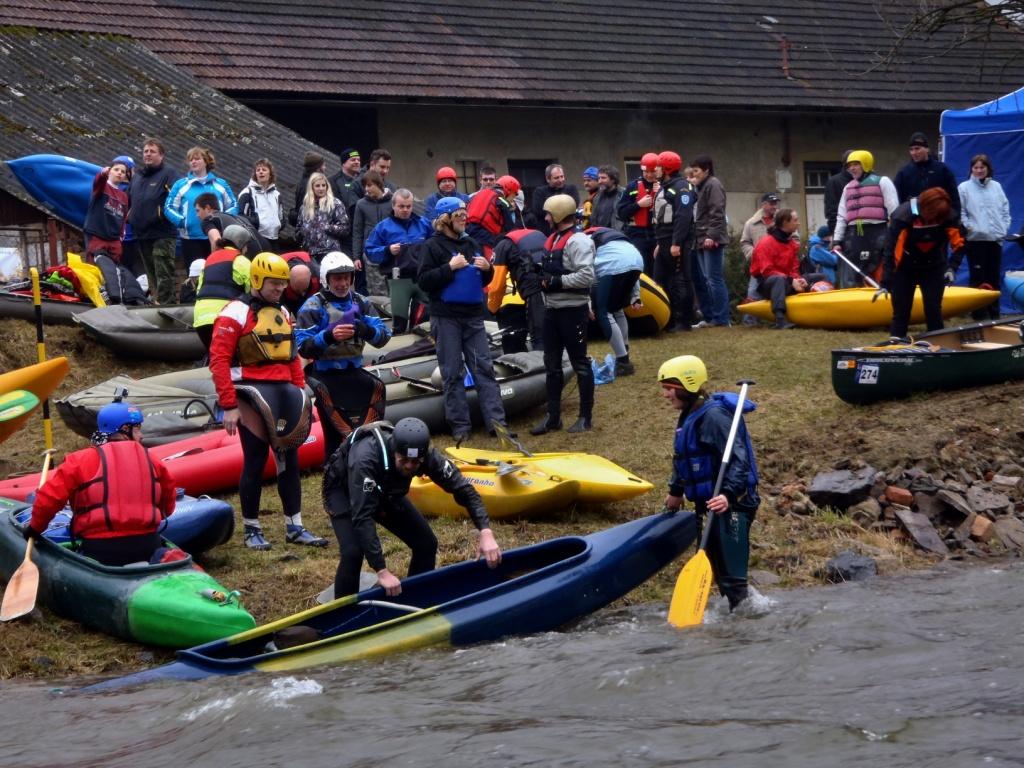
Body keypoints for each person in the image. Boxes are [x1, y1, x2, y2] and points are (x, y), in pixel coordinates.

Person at [209, 252, 325, 550]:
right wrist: (229, 405)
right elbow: (219, 361)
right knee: (256, 460)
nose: (279, 289)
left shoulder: (284, 312)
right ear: (258, 280)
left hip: (283, 391)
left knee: (290, 458)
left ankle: (295, 526)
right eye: (274, 283)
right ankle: (251, 528)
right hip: (250, 392)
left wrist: (301, 395)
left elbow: (292, 357)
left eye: (282, 284)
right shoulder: (234, 312)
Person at [322, 417, 501, 598]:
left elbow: (464, 489)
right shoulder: (366, 458)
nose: (409, 466)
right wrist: (381, 570)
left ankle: (416, 600)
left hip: (386, 489)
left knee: (426, 543)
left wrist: (485, 531)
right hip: (343, 490)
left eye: (415, 462)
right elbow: (363, 516)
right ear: (394, 452)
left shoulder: (428, 457)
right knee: (353, 552)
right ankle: (345, 613)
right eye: (404, 460)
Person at [658, 355, 760, 610]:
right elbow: (684, 456)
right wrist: (676, 491)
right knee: (718, 567)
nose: (665, 394)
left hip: (733, 503)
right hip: (711, 502)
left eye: (669, 388)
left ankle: (750, 618)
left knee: (732, 575)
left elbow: (739, 459)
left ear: (687, 385)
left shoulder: (714, 417)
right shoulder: (688, 414)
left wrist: (728, 493)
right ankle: (738, 617)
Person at [24, 401, 176, 567]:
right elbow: (168, 504)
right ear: (125, 430)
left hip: (100, 551)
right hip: (148, 546)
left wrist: (35, 528)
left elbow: (49, 499)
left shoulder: (79, 460)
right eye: (138, 428)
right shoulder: (152, 459)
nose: (141, 435)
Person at [417, 197, 510, 443]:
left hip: (473, 317)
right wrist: (449, 267)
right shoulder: (431, 246)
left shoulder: (470, 243)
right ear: (445, 219)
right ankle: (460, 427)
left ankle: (496, 423)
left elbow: (482, 282)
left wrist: (487, 270)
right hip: (445, 318)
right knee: (452, 372)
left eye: (464, 215)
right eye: (458, 215)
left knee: (484, 369)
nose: (463, 219)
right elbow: (424, 281)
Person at [296, 251, 392, 460]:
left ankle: (366, 463)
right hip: (325, 376)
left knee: (377, 392)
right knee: (334, 438)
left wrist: (364, 330)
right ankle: (334, 476)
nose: (343, 283)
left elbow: (384, 337)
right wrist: (328, 336)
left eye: (346, 277)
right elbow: (302, 347)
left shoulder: (362, 302)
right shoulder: (312, 306)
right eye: (337, 278)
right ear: (326, 279)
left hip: (354, 371)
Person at [530, 193, 596, 435]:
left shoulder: (578, 241)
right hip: (552, 310)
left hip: (572, 311)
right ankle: (553, 417)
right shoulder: (554, 238)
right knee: (551, 365)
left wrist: (555, 281)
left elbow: (586, 276)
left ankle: (585, 417)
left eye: (548, 213)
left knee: (580, 363)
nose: (546, 218)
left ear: (558, 215)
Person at [878, 187, 965, 342]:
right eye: (933, 216)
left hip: (934, 266)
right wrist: (886, 281)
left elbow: (960, 243)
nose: (935, 220)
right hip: (905, 268)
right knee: (901, 311)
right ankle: (896, 346)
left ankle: (939, 345)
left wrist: (952, 267)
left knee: (933, 309)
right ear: (925, 208)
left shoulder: (948, 215)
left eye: (939, 217)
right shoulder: (902, 217)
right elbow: (891, 251)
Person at [365, 188, 432, 333]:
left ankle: (422, 350)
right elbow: (370, 250)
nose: (405, 210)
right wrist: (387, 250)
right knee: (399, 324)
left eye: (408, 206)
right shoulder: (383, 227)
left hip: (422, 278)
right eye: (401, 206)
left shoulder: (424, 224)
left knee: (423, 323)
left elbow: (437, 244)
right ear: (393, 206)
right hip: (398, 280)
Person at [833, 149, 898, 287]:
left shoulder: (883, 181)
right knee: (856, 271)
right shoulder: (847, 188)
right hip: (854, 235)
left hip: (877, 232)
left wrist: (896, 234)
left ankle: (884, 289)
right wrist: (837, 240)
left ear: (866, 164)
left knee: (879, 267)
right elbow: (841, 216)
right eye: (849, 165)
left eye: (856, 164)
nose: (852, 168)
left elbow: (894, 211)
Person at [958, 153, 1011, 319]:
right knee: (978, 278)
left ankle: (994, 314)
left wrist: (1003, 228)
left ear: (988, 169)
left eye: (982, 167)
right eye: (976, 167)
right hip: (976, 240)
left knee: (993, 277)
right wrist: (970, 228)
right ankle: (978, 314)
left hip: (995, 240)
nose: (979, 170)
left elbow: (1005, 209)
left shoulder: (996, 186)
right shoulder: (964, 188)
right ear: (971, 169)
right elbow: (961, 212)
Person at [750, 209, 820, 329]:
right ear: (785, 222)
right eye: (795, 220)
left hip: (787, 281)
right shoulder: (765, 243)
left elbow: (794, 268)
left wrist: (798, 279)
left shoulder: (791, 243)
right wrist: (790, 280)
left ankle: (818, 313)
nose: (798, 223)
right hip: (768, 284)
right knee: (778, 280)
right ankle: (780, 320)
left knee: (819, 277)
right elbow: (767, 271)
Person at [164, 147, 237, 263]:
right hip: (191, 240)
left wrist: (223, 221)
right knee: (195, 276)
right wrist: (183, 222)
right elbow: (168, 207)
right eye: (190, 160)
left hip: (217, 238)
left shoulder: (221, 184)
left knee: (216, 272)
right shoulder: (180, 185)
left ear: (206, 161)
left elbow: (234, 205)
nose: (193, 162)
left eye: (197, 159)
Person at [128, 137, 179, 304]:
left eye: (152, 151)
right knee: (151, 273)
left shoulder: (168, 173)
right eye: (145, 151)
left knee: (163, 272)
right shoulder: (137, 177)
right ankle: (156, 303)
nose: (148, 154)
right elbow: (130, 199)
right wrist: (131, 216)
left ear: (161, 155)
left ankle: (168, 305)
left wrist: (161, 215)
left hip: (162, 232)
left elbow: (177, 198)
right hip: (142, 233)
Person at [587, 226, 642, 375]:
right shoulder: (612, 237)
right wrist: (636, 296)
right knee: (617, 309)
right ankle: (624, 354)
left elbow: (587, 271)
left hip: (613, 265)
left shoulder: (586, 241)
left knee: (603, 312)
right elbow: (630, 266)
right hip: (637, 260)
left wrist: (588, 301)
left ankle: (623, 361)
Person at [652, 150, 696, 332]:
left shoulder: (682, 188)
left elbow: (683, 217)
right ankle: (665, 319)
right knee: (660, 280)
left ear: (667, 169)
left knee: (681, 281)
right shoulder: (666, 186)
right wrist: (659, 244)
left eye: (659, 167)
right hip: (663, 241)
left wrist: (676, 243)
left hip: (676, 242)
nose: (656, 171)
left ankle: (683, 321)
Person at [192, 226, 253, 349]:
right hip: (226, 319)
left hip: (201, 320)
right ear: (241, 244)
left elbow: (199, 290)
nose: (246, 250)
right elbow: (254, 290)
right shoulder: (241, 260)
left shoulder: (209, 260)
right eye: (246, 246)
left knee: (216, 356)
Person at [488, 228, 547, 353]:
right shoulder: (538, 236)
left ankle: (540, 366)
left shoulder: (502, 247)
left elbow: (496, 285)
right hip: (552, 286)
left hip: (529, 295)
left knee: (539, 337)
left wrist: (492, 308)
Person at [691, 154, 731, 327]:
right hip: (700, 237)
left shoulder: (713, 185)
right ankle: (713, 316)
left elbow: (717, 211)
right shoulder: (702, 186)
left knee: (714, 279)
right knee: (707, 279)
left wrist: (711, 235)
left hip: (710, 238)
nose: (694, 175)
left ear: (706, 170)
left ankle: (722, 318)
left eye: (696, 171)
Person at [893, 132, 960, 216]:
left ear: (927, 149)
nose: (914, 152)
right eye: (911, 149)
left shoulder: (942, 170)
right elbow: (896, 199)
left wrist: (954, 219)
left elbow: (954, 197)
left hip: (940, 220)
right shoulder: (904, 173)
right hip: (914, 222)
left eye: (917, 148)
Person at [351, 170, 394, 296]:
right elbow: (357, 231)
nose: (366, 189)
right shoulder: (361, 204)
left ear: (378, 184)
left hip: (392, 250)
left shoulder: (393, 201)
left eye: (369, 185)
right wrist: (356, 256)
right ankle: (380, 315)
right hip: (371, 252)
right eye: (364, 185)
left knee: (394, 288)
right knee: (375, 291)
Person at [617, 152, 659, 276]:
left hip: (658, 236)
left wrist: (661, 193)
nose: (649, 175)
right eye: (646, 172)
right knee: (640, 271)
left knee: (659, 273)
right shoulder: (632, 187)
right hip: (637, 235)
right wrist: (638, 205)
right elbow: (621, 213)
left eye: (653, 171)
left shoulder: (664, 186)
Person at [296, 171, 350, 263]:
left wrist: (327, 227)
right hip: (309, 253)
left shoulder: (335, 203)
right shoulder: (304, 207)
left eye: (323, 185)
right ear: (311, 188)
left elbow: (345, 228)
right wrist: (304, 231)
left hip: (330, 252)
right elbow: (298, 230)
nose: (321, 188)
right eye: (317, 186)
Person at [83, 159, 130, 262]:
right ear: (110, 171)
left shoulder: (124, 196)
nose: (119, 173)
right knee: (95, 268)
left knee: (113, 270)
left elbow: (123, 219)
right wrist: (102, 173)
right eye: (116, 169)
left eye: (123, 172)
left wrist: (120, 237)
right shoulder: (102, 187)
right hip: (96, 235)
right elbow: (98, 180)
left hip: (114, 240)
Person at [195, 193, 268, 257]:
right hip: (267, 251)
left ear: (207, 208)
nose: (197, 215)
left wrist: (213, 263)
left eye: (198, 210)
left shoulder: (208, 220)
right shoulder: (236, 217)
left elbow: (216, 241)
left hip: (249, 255)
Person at [237, 158, 284, 251]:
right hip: (255, 239)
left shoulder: (277, 195)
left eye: (264, 169)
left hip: (274, 238)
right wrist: (256, 223)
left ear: (270, 173)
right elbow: (241, 216)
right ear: (255, 174)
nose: (261, 172)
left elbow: (281, 216)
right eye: (258, 170)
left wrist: (279, 225)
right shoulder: (247, 192)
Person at [466, 174, 521, 252]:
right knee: (490, 262)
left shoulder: (477, 195)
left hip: (468, 233)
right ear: (508, 190)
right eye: (514, 194)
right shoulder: (502, 201)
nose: (513, 198)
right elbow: (510, 228)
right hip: (485, 238)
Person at [527, 164, 580, 235]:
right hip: (547, 232)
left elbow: (574, 205)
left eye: (562, 176)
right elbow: (539, 211)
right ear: (548, 179)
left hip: (568, 231)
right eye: (556, 178)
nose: (560, 180)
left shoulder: (571, 189)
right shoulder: (539, 192)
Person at [824, 150, 853, 237]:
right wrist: (836, 235)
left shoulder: (864, 181)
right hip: (844, 231)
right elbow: (831, 210)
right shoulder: (834, 182)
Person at [590, 165, 624, 230]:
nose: (599, 181)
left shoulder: (623, 194)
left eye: (603, 178)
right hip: (599, 234)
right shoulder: (597, 196)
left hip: (616, 236)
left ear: (613, 179)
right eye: (599, 178)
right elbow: (593, 218)